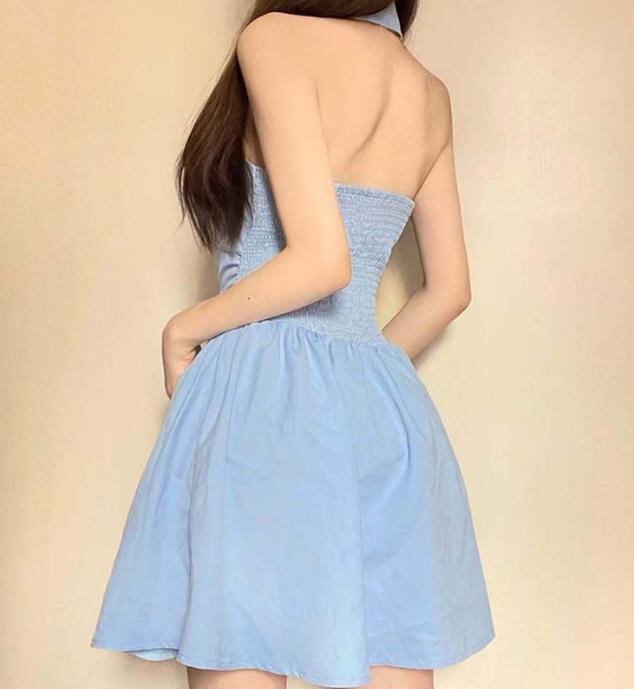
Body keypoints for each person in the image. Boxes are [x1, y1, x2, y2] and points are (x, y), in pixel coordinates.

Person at [90, 2, 495, 688]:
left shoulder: (275, 37)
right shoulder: (429, 92)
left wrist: (185, 327)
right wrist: (352, 377)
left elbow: (321, 260)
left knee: (240, 642)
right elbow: (450, 290)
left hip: (259, 396)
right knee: (389, 646)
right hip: (382, 411)